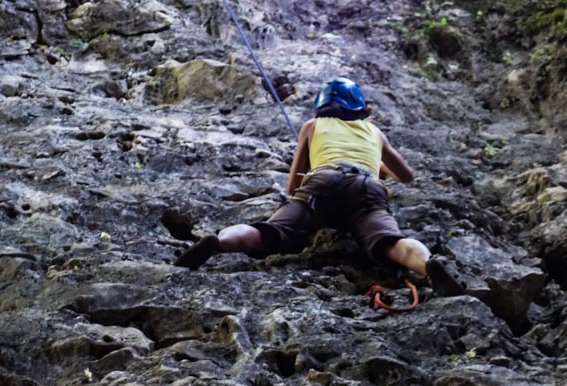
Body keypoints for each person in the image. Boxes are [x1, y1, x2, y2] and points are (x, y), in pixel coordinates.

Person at [174, 77, 463, 295]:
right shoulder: (374, 131)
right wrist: (377, 168)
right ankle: (428, 266)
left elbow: (292, 184)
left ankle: (219, 242)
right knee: (390, 242)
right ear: (358, 105)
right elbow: (407, 175)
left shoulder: (312, 126)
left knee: (270, 231)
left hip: (322, 181)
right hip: (366, 187)